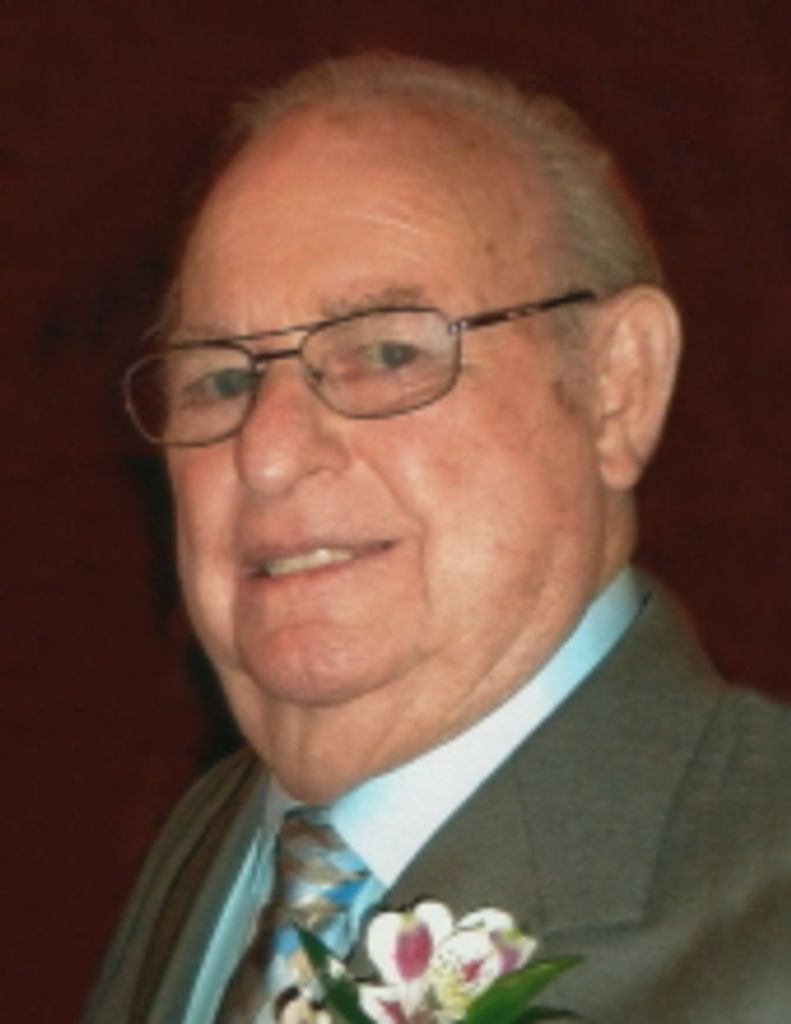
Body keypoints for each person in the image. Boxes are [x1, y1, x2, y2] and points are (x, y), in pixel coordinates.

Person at [85, 53, 791, 1023]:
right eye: (221, 379)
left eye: (385, 353)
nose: (268, 453)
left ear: (615, 389)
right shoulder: (207, 847)